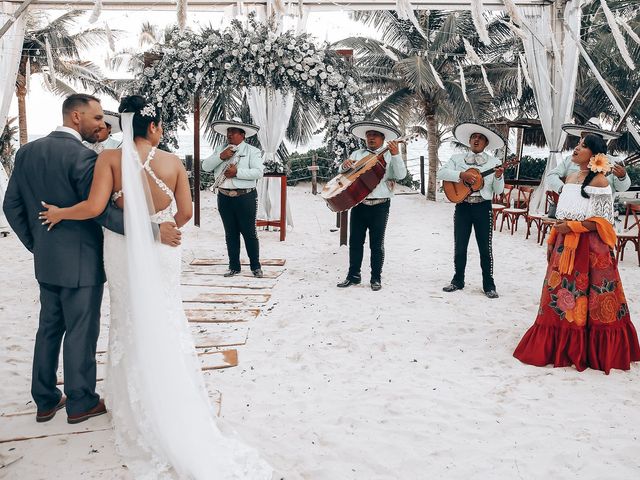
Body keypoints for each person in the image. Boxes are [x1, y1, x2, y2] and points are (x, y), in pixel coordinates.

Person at [40, 96, 272, 478]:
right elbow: (185, 213)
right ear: (152, 126)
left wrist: (61, 212)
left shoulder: (109, 159)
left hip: (122, 248)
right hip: (165, 248)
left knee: (129, 315)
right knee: (165, 314)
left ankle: (135, 399)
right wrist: (163, 231)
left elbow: (96, 208)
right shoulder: (172, 162)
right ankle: (172, 391)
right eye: (160, 124)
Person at [2, 93, 181, 425]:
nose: (103, 124)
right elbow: (103, 214)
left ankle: (44, 400)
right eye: (97, 118)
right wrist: (152, 231)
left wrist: (36, 244)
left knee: (49, 327)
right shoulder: (84, 157)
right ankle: (81, 401)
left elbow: (10, 205)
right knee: (81, 330)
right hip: (82, 261)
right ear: (76, 118)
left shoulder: (26, 153)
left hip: (47, 260)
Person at [514, 134, 640, 374]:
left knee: (594, 299)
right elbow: (563, 214)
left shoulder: (601, 181)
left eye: (583, 146)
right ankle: (562, 344)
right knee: (559, 295)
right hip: (565, 244)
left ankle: (591, 349)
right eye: (577, 145)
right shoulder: (571, 177)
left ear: (594, 155)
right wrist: (554, 238)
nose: (576, 149)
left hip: (591, 247)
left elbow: (602, 222)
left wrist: (572, 227)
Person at [336, 120, 407, 291]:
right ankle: (353, 276)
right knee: (355, 242)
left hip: (380, 205)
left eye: (375, 135)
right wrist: (343, 165)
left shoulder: (390, 155)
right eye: (368, 135)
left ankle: (376, 278)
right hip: (359, 203)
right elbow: (343, 173)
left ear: (383, 138)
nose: (371, 138)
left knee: (376, 244)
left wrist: (396, 155)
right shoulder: (357, 153)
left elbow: (401, 175)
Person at [437, 122, 505, 299]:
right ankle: (457, 280)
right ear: (468, 140)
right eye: (474, 137)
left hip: (483, 207)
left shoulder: (494, 162)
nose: (477, 139)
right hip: (463, 206)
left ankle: (489, 285)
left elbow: (498, 190)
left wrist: (498, 177)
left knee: (485, 247)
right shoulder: (457, 159)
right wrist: (461, 175)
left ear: (486, 143)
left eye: (481, 138)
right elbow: (441, 173)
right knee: (460, 246)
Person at [202, 117, 264, 278]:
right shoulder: (220, 149)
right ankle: (234, 267)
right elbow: (205, 166)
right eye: (228, 131)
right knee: (230, 233)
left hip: (246, 197)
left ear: (242, 135)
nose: (229, 134)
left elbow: (258, 172)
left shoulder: (253, 151)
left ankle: (255, 266)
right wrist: (220, 156)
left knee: (249, 232)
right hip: (224, 196)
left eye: (233, 131)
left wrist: (238, 173)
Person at [547, 117, 630, 194]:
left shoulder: (613, 162)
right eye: (582, 137)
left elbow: (622, 188)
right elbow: (551, 176)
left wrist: (622, 177)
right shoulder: (569, 159)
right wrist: (563, 189)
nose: (584, 140)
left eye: (589, 139)